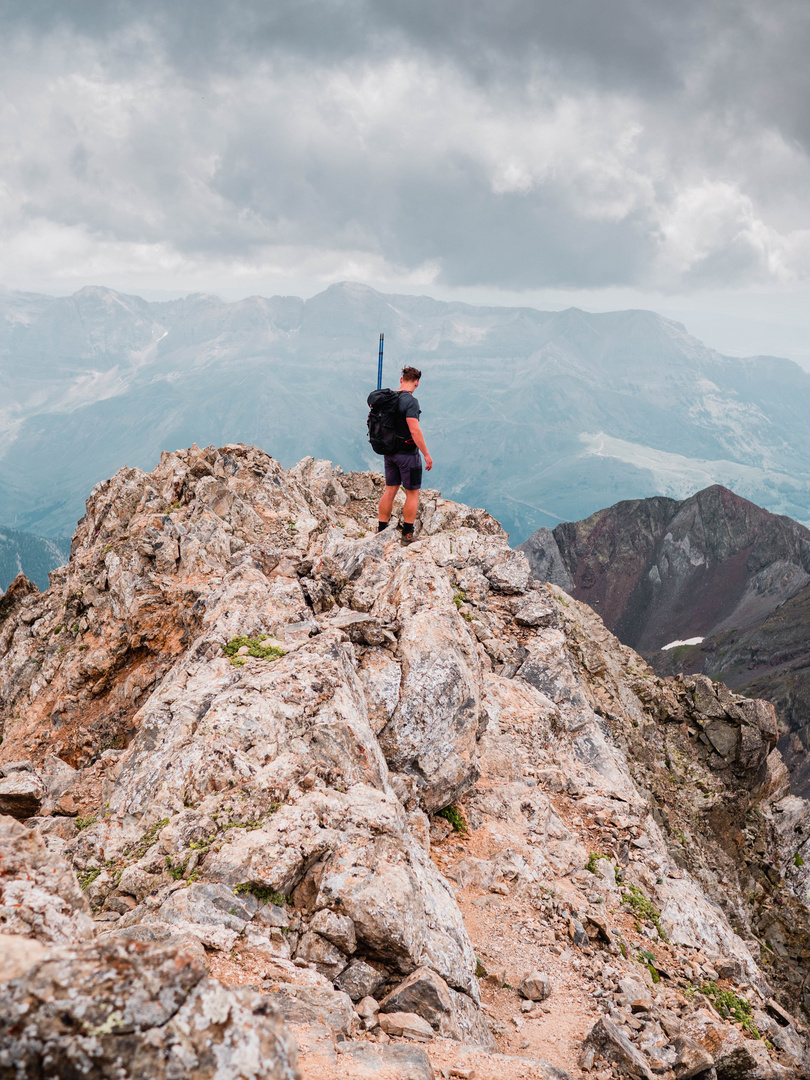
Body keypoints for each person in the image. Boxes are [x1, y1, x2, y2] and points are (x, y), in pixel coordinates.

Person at [377, 365, 433, 546]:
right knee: (412, 493)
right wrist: (426, 454)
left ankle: (381, 530)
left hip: (389, 452)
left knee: (390, 490)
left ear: (401, 380)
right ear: (416, 383)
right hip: (407, 454)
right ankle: (407, 534)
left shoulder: (387, 399)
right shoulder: (411, 402)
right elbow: (415, 430)